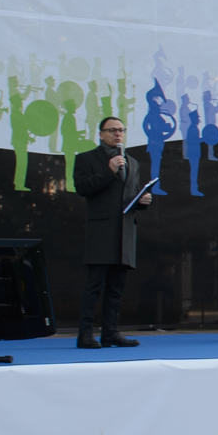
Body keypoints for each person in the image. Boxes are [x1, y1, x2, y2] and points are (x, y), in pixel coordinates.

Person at [73, 114, 154, 349]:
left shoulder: (132, 162)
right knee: (94, 286)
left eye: (121, 130)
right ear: (101, 135)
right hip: (102, 231)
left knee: (116, 288)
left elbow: (129, 195)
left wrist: (142, 200)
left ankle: (110, 332)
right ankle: (85, 334)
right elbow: (83, 188)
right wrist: (109, 171)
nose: (118, 134)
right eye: (112, 130)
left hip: (124, 232)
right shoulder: (86, 159)